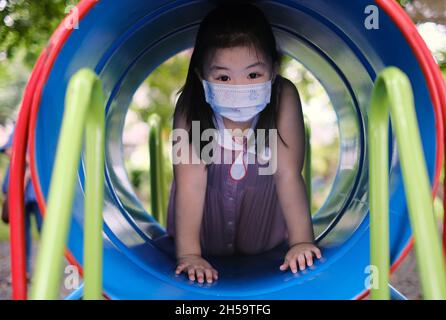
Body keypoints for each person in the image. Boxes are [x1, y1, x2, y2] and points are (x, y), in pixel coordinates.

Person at [166, 2, 322, 285]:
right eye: (223, 77)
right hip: (202, 233)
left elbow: (287, 174)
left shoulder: (282, 97)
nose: (239, 88)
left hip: (264, 235)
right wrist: (188, 254)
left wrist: (301, 242)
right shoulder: (191, 106)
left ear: (273, 71)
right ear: (202, 77)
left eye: (253, 75)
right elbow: (190, 183)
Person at [1, 130, 42, 276]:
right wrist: (28, 160)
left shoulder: (42, 130)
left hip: (37, 191)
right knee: (21, 232)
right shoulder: (20, 126)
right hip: (19, 189)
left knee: (44, 230)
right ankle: (23, 271)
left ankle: (46, 269)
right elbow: (7, 149)